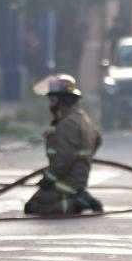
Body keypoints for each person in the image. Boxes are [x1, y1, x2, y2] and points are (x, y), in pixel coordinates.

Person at [25, 74, 103, 215]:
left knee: (33, 206)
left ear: (59, 100)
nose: (50, 104)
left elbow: (63, 159)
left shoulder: (67, 124)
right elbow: (98, 139)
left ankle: (77, 201)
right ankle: (79, 196)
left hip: (66, 183)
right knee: (37, 201)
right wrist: (84, 159)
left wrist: (48, 179)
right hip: (77, 179)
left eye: (52, 99)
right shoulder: (83, 119)